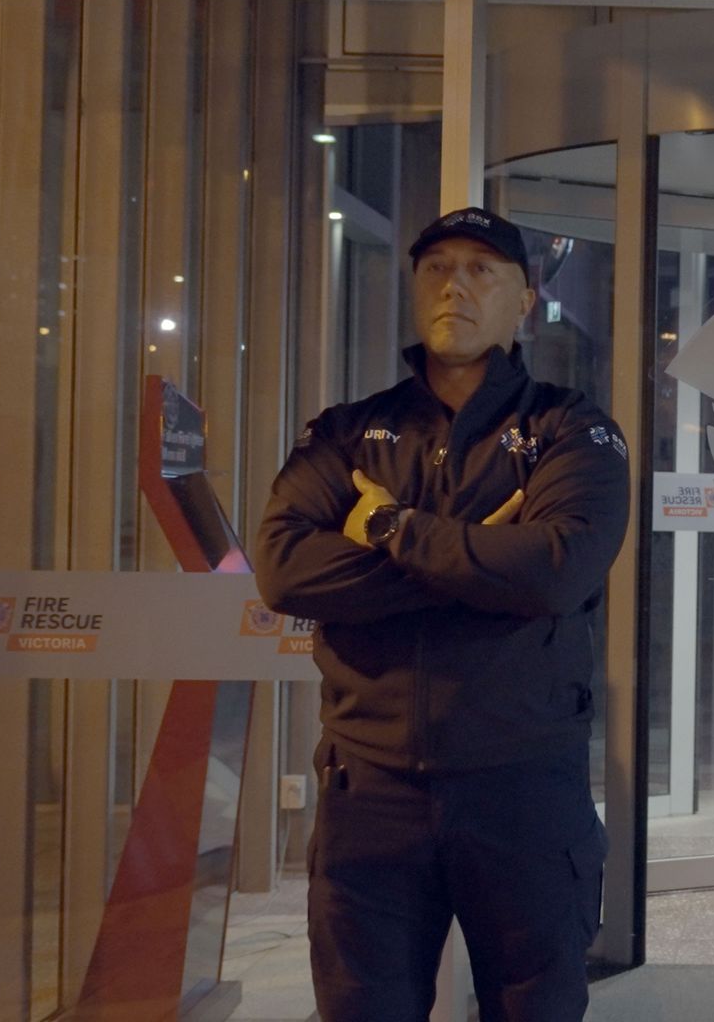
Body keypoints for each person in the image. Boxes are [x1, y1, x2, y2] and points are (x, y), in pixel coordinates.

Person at [254, 206, 631, 1022]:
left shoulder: (572, 430)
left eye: (481, 270)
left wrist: (390, 529)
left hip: (524, 787)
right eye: (436, 268)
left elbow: (554, 572)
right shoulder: (348, 433)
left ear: (524, 300)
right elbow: (284, 571)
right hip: (370, 792)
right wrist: (475, 564)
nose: (454, 285)